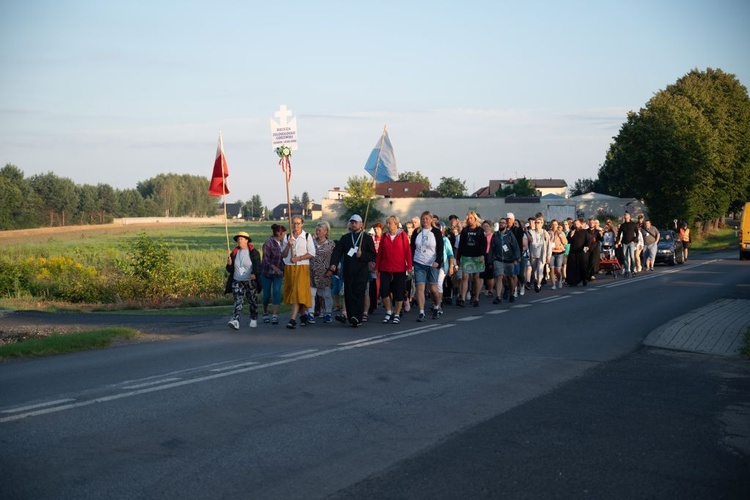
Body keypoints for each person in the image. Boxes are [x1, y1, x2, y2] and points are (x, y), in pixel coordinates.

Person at [328, 214, 376, 327]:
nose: (353, 224)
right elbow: (337, 252)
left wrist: (363, 255)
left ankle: (357, 317)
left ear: (361, 224)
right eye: (352, 222)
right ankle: (351, 316)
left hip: (361, 271)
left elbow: (373, 254)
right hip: (348, 271)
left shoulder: (366, 238)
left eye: (355, 222)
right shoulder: (345, 238)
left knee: (359, 293)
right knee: (349, 294)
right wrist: (333, 264)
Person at [375, 215, 412, 324]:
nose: (388, 225)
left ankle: (396, 313)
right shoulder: (385, 236)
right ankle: (388, 311)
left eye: (390, 223)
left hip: (399, 268)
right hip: (385, 267)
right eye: (387, 223)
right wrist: (377, 267)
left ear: (396, 224)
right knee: (384, 291)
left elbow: (407, 252)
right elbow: (380, 253)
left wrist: (409, 266)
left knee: (398, 292)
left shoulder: (402, 235)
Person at [281, 215, 316, 329]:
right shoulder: (287, 236)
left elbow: (311, 253)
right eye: (294, 223)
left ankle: (292, 319)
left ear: (302, 224)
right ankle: (304, 315)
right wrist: (288, 245)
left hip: (302, 267)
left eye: (298, 223)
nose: (296, 225)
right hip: (290, 267)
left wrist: (298, 258)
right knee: (294, 292)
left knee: (298, 292)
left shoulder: (306, 236)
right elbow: (283, 254)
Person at [411, 210, 444, 321]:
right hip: (419, 262)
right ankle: (421, 312)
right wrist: (411, 262)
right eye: (423, 219)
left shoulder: (436, 232)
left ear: (431, 220)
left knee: (433, 289)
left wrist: (438, 261)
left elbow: (440, 248)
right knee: (420, 287)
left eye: (427, 218)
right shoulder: (417, 231)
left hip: (432, 263)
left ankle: (436, 306)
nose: (425, 221)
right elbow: (412, 248)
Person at [225, 231, 261, 330]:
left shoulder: (254, 252)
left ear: (246, 241)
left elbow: (258, 265)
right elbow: (229, 270)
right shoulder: (234, 253)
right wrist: (229, 264)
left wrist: (255, 273)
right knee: (238, 301)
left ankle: (253, 318)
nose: (239, 240)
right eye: (238, 239)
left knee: (252, 301)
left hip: (249, 280)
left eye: (241, 239)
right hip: (237, 280)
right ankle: (236, 320)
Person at [309, 221, 336, 324]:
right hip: (312, 272)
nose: (318, 232)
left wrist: (332, 269)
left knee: (326, 294)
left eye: (320, 230)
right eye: (317, 230)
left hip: (325, 272)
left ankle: (327, 313)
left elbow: (334, 258)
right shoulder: (311, 242)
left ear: (325, 232)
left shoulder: (331, 244)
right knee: (312, 294)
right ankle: (310, 313)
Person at [456, 211, 485, 307]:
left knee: (476, 277)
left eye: (471, 218)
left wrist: (482, 255)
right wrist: (458, 257)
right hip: (466, 256)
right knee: (465, 277)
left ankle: (476, 297)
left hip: (477, 256)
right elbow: (461, 244)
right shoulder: (465, 230)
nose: (469, 219)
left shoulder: (480, 230)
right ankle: (463, 298)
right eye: (468, 218)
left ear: (475, 219)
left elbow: (483, 244)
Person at [260, 223, 286, 325]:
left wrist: (288, 246)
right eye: (283, 233)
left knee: (276, 292)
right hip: (267, 272)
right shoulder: (268, 243)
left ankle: (275, 315)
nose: (284, 235)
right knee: (266, 295)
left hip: (278, 274)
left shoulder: (283, 242)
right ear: (279, 233)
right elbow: (266, 259)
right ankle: (265, 312)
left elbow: (284, 255)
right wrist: (274, 268)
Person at [489, 218, 520, 304]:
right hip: (498, 259)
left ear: (506, 225)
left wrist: (516, 258)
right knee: (500, 276)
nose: (501, 224)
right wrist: (490, 260)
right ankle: (498, 297)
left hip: (509, 260)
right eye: (500, 223)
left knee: (509, 278)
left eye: (503, 223)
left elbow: (515, 247)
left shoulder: (510, 235)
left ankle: (511, 293)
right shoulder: (495, 235)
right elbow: (492, 248)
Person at [527, 216, 550, 292]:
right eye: (535, 222)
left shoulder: (544, 233)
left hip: (541, 255)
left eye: (538, 222)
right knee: (534, 271)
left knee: (540, 270)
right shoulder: (531, 232)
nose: (536, 224)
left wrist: (548, 256)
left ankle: (538, 284)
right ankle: (536, 281)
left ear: (542, 224)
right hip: (533, 254)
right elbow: (529, 242)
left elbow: (548, 245)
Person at [565, 218, 589, 286]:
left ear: (580, 224)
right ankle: (573, 281)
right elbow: (568, 241)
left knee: (582, 266)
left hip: (581, 252)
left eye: (577, 224)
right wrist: (570, 235)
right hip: (573, 252)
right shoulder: (572, 231)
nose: (576, 225)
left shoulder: (584, 232)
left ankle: (584, 279)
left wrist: (586, 248)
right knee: (572, 267)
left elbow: (588, 241)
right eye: (575, 224)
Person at [616, 212, 640, 277]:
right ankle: (626, 270)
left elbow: (637, 233)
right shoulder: (622, 225)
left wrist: (634, 240)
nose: (626, 218)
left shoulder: (633, 224)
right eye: (625, 217)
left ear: (629, 217)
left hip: (631, 242)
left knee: (632, 256)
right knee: (625, 257)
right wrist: (618, 241)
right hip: (624, 243)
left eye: (627, 217)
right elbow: (619, 234)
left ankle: (633, 270)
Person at [547, 219, 568, 290]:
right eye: (553, 224)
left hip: (559, 252)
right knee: (552, 269)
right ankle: (553, 284)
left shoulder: (561, 233)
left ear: (558, 225)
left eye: (555, 224)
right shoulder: (548, 233)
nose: (554, 226)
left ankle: (559, 279)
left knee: (558, 270)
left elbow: (565, 243)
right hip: (551, 252)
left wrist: (561, 236)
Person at [481, 219, 495, 297]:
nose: (485, 228)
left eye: (487, 226)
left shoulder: (493, 236)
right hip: (482, 255)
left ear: (490, 227)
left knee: (490, 274)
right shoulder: (481, 235)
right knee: (481, 274)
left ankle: (490, 289)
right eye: (484, 226)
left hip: (490, 256)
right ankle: (482, 289)